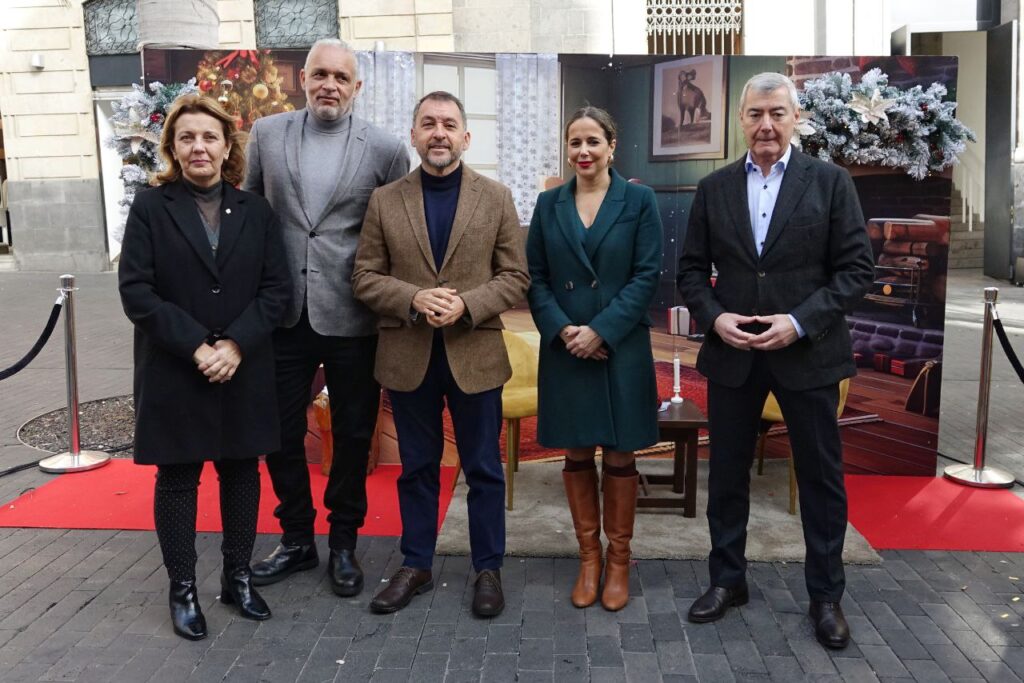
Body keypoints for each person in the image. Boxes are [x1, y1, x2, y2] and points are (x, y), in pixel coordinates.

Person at [677, 72, 874, 649]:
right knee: (728, 476)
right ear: (741, 119)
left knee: (819, 479)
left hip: (807, 354)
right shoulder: (713, 189)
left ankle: (826, 596)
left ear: (795, 118)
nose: (766, 124)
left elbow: (856, 272)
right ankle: (727, 580)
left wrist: (798, 321)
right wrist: (715, 317)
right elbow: (690, 271)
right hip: (733, 354)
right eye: (756, 113)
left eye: (777, 114)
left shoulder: (831, 183)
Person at [118, 94, 291, 640]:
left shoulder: (256, 212)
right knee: (179, 480)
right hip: (176, 368)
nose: (199, 147)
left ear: (226, 146)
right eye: (188, 137)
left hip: (243, 366)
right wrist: (197, 347)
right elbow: (136, 292)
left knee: (241, 473)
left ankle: (238, 577)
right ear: (172, 146)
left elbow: (276, 291)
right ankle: (183, 588)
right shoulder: (151, 207)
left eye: (210, 137)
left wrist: (235, 345)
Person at [242, 38, 410, 597]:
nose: (329, 85)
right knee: (280, 432)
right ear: (304, 80)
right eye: (319, 75)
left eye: (341, 77)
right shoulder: (267, 135)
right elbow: (246, 214)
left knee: (355, 434)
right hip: (283, 313)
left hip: (354, 317)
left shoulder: (386, 149)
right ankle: (295, 538)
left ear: (356, 87)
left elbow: (395, 234)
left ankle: (342, 542)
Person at [352, 91, 529, 616]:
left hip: (474, 353)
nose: (439, 133)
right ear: (413, 135)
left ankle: (488, 569)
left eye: (449, 124)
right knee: (416, 468)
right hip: (409, 356)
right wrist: (412, 297)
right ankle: (416, 564)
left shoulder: (495, 197)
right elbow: (364, 275)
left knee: (483, 469)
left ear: (465, 137)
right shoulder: (386, 200)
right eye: (428, 123)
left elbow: (515, 275)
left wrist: (467, 304)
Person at [526, 106, 663, 612]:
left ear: (611, 146)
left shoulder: (640, 200)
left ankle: (619, 562)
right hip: (566, 348)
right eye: (574, 142)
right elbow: (535, 278)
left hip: (620, 345)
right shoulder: (548, 204)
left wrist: (601, 330)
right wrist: (565, 331)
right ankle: (589, 559)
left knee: (622, 452)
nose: (582, 151)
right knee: (577, 451)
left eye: (592, 142)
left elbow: (647, 275)